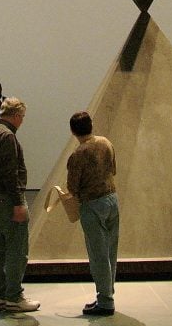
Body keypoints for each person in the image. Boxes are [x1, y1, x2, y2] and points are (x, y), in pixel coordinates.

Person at [0, 96, 39, 314]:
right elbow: (10, 173)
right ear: (15, 116)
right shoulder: (7, 136)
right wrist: (19, 203)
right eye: (22, 117)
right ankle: (14, 297)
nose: (22, 121)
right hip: (6, 199)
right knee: (16, 249)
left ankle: (0, 297)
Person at [66, 110, 119, 317]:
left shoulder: (78, 155)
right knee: (110, 251)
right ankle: (106, 294)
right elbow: (113, 170)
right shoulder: (106, 143)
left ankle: (105, 301)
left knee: (98, 254)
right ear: (91, 125)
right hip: (112, 199)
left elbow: (72, 187)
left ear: (73, 131)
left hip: (92, 205)